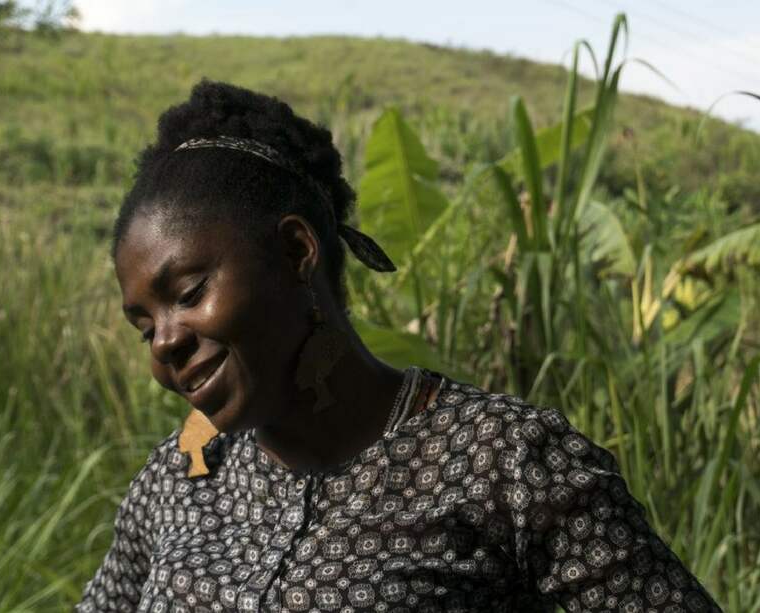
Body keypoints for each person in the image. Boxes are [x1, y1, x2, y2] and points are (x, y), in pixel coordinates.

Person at [76, 79, 722, 612]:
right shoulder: (180, 475)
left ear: (297, 250)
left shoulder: (509, 465)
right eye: (143, 324)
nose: (165, 343)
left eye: (188, 292)